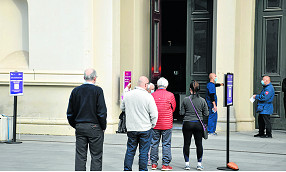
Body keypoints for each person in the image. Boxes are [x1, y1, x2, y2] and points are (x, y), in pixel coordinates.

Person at [67, 68, 107, 171]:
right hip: (95, 126)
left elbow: (70, 112)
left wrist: (75, 124)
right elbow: (102, 112)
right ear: (94, 78)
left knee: (80, 156)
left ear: (84, 77)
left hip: (80, 126)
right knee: (96, 157)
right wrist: (103, 126)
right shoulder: (98, 91)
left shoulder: (75, 91)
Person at [120, 76, 158, 171]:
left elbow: (122, 108)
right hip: (145, 128)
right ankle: (142, 170)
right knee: (144, 152)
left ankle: (127, 169)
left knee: (130, 150)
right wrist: (152, 125)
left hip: (132, 127)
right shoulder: (148, 97)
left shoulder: (128, 95)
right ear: (145, 85)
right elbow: (154, 114)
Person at [180, 81, 209, 171]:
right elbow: (206, 113)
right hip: (198, 124)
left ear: (190, 89)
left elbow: (182, 113)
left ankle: (187, 164)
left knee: (186, 143)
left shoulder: (185, 100)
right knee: (199, 144)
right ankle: (199, 164)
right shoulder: (202, 100)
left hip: (187, 123)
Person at [150, 77, 176, 171]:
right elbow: (173, 108)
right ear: (166, 85)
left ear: (157, 85)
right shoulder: (170, 95)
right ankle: (165, 164)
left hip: (155, 124)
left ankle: (153, 163)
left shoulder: (152, 95)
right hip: (167, 124)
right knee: (166, 144)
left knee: (154, 143)